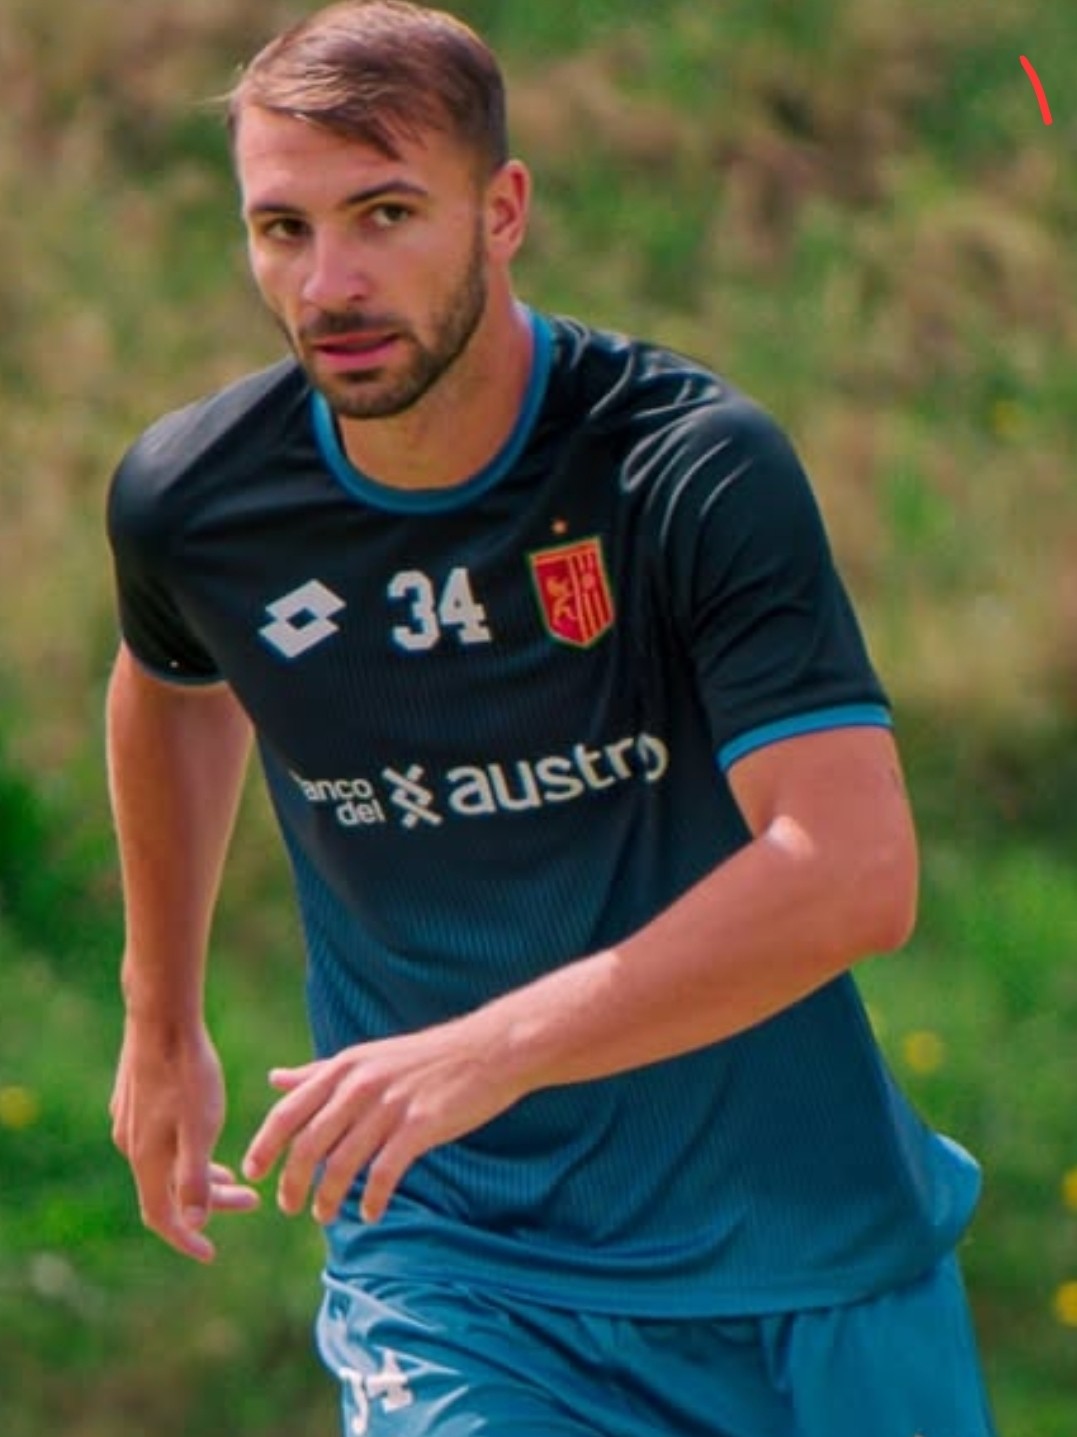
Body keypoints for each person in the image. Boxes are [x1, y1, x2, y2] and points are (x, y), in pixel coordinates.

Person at [104, 3, 999, 1434]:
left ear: (502, 209)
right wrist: (161, 1020)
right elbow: (172, 680)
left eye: (385, 214)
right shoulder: (197, 504)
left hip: (809, 1264)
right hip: (455, 1266)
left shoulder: (686, 472)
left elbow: (851, 871)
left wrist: (486, 1050)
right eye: (281, 229)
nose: (329, 283)